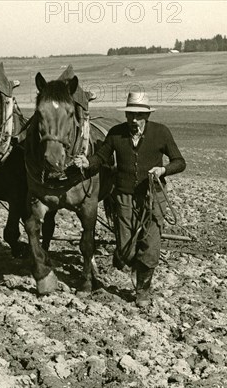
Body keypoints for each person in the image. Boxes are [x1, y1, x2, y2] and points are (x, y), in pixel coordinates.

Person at [73, 91, 186, 308]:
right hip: (123, 196)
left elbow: (180, 161)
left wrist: (163, 169)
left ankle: (142, 291)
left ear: (147, 116)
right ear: (126, 116)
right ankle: (131, 261)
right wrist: (88, 163)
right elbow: (102, 157)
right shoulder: (116, 134)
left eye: (139, 115)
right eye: (131, 115)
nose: (134, 120)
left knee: (150, 244)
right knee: (125, 248)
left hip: (153, 196)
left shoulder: (161, 133)